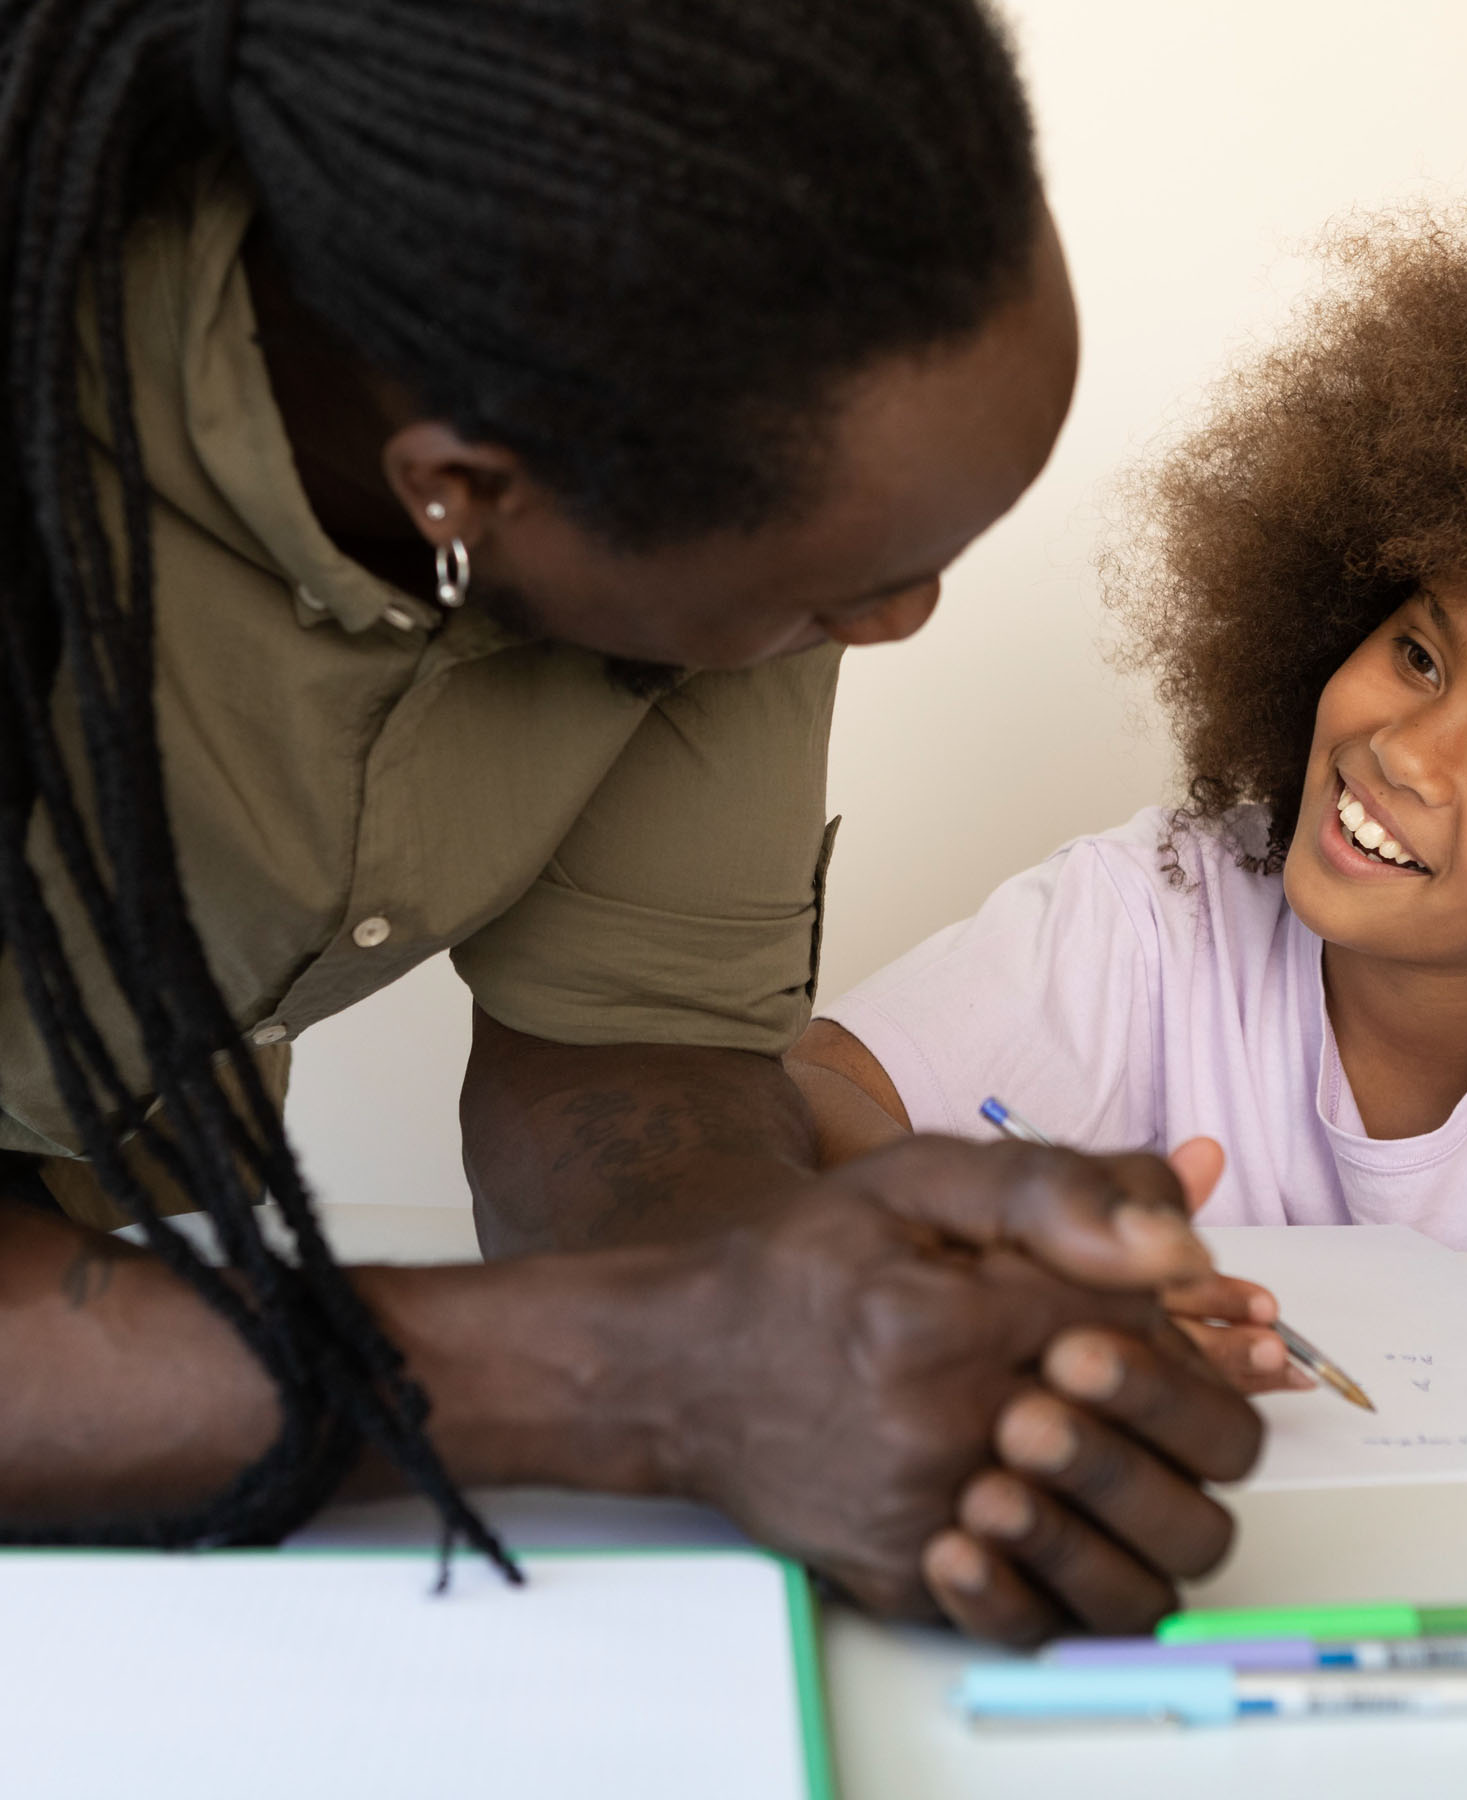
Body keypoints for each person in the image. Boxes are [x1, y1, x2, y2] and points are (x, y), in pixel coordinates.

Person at [0, 0, 1259, 1647]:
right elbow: (654, 1360)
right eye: (843, 587)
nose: (903, 621)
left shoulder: (679, 403)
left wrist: (864, 1331)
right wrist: (644, 1378)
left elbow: (627, 1062)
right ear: (463, 487)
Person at [793, 189, 1467, 1405]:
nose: (1404, 753)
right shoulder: (1164, 911)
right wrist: (1004, 1244)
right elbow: (807, 1092)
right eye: (1417, 656)